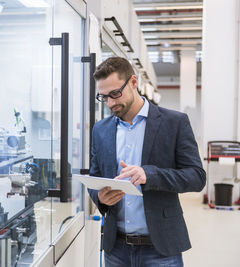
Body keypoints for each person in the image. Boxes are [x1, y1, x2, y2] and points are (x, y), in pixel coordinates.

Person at [88, 57, 206, 266]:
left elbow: (196, 177)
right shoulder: (101, 130)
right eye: (104, 97)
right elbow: (95, 177)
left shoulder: (174, 123)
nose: (111, 103)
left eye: (115, 94)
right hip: (116, 248)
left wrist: (149, 175)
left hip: (161, 249)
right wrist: (101, 198)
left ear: (133, 82)